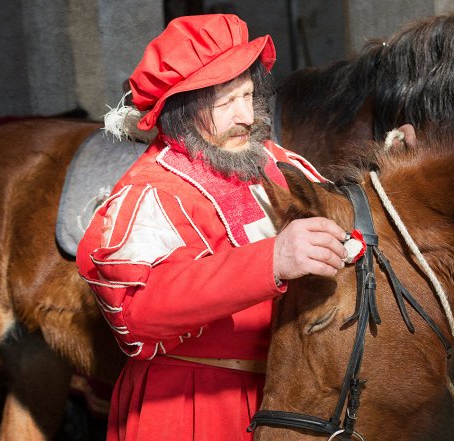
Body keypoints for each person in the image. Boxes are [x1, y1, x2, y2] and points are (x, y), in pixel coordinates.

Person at [76, 14, 348, 441]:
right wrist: (272, 260)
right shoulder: (153, 191)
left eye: (249, 95)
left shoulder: (276, 163)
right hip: (193, 407)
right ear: (183, 112)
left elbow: (345, 237)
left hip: (290, 395)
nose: (247, 117)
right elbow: (137, 315)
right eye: (226, 104)